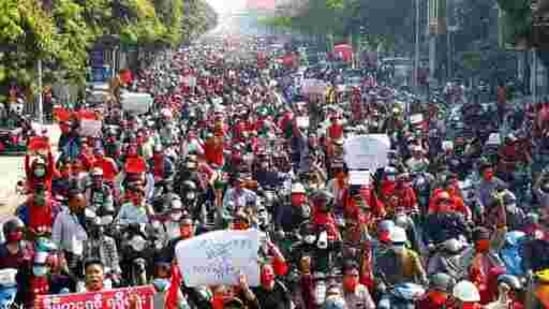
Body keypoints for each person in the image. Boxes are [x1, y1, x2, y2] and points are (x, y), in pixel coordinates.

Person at [52, 191, 88, 289]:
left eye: (82, 201)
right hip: (69, 255)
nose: (81, 203)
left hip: (86, 254)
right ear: (70, 202)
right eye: (77, 201)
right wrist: (59, 255)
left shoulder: (88, 215)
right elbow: (56, 237)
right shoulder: (61, 216)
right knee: (72, 281)